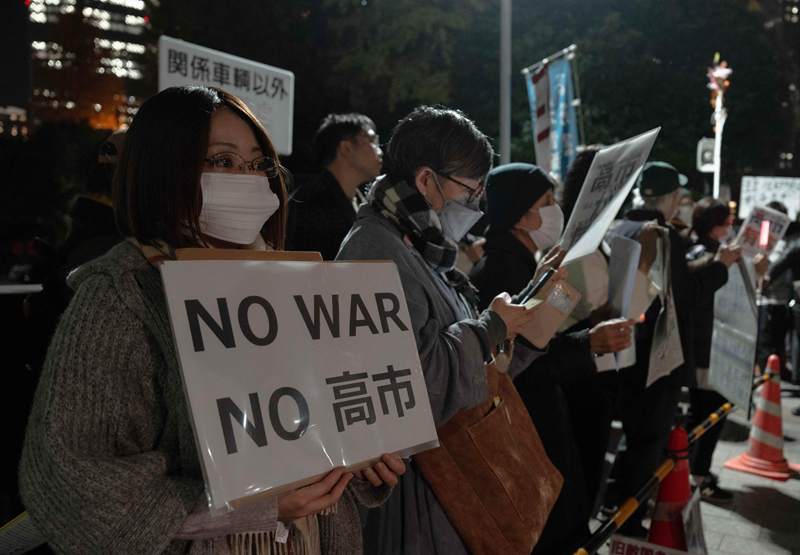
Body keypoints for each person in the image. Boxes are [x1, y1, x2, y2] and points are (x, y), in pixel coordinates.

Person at [20, 86, 403, 555]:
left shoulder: (296, 281)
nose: (249, 178)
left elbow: (321, 419)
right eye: (222, 161)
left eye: (258, 164)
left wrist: (361, 458)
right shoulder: (121, 296)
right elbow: (76, 491)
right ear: (165, 170)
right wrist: (253, 506)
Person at [336, 106, 548, 555]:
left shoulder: (420, 243)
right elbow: (411, 382)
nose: (476, 205)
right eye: (471, 190)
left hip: (445, 479)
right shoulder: (373, 248)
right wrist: (490, 327)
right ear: (426, 180)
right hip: (413, 495)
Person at [469, 163, 636, 554]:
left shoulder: (522, 263)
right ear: (520, 215)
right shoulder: (506, 271)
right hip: (528, 422)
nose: (556, 209)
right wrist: (587, 342)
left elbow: (537, 338)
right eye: (547, 201)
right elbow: (517, 363)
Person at [605, 162, 740, 536]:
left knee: (634, 436)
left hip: (625, 350)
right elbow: (683, 297)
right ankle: (628, 522)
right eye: (679, 195)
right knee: (648, 443)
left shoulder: (623, 227)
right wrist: (721, 267)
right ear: (673, 197)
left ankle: (613, 505)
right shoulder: (663, 234)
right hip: (657, 357)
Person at [685, 197, 760, 501]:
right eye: (727, 222)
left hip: (701, 346)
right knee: (712, 415)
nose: (730, 227)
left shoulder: (693, 249)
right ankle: (699, 475)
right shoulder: (714, 256)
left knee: (699, 412)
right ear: (716, 227)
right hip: (713, 348)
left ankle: (690, 469)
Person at [286, 113, 383, 260]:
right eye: (371, 140)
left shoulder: (360, 201)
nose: (380, 152)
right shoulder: (311, 201)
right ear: (346, 148)